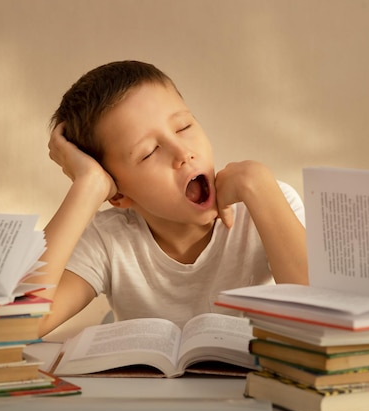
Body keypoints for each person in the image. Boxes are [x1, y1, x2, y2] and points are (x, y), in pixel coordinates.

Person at [33, 60, 308, 337]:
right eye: (149, 152)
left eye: (183, 127)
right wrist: (88, 186)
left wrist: (258, 185)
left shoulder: (266, 201)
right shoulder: (108, 239)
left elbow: (327, 321)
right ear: (118, 194)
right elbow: (17, 324)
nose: (182, 152)